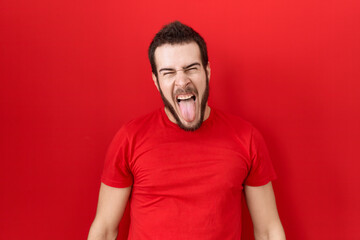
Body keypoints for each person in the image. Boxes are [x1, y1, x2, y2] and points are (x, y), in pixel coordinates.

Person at [88, 21, 286, 240]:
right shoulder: (129, 139)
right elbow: (105, 229)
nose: (182, 81)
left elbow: (268, 230)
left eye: (191, 68)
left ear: (207, 71)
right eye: (168, 72)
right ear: (156, 81)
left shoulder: (246, 138)